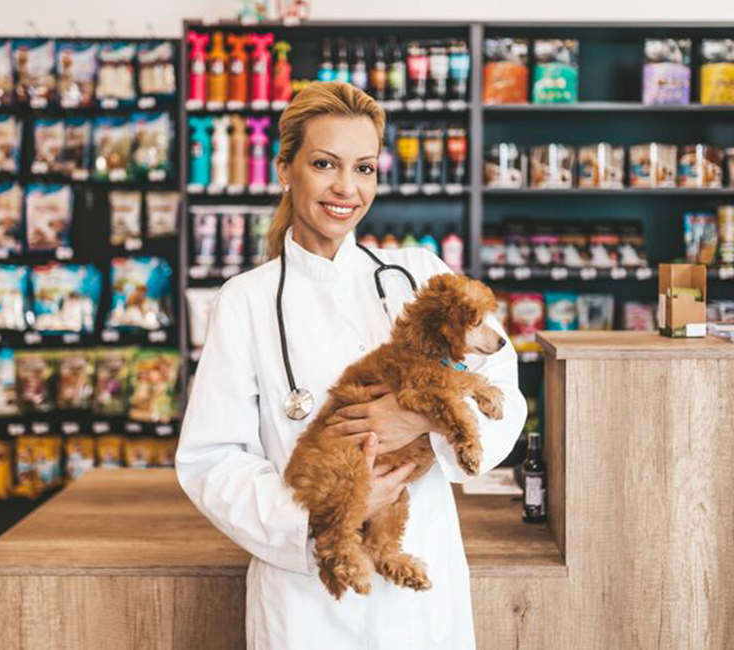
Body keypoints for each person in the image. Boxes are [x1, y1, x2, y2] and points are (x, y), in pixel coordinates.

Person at [176, 81, 527, 649]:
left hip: (422, 604)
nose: (346, 188)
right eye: (324, 164)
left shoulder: (418, 273)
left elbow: (504, 396)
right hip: (308, 605)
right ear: (285, 170)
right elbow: (212, 461)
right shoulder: (244, 300)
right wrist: (325, 514)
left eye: (364, 168)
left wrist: (421, 420)